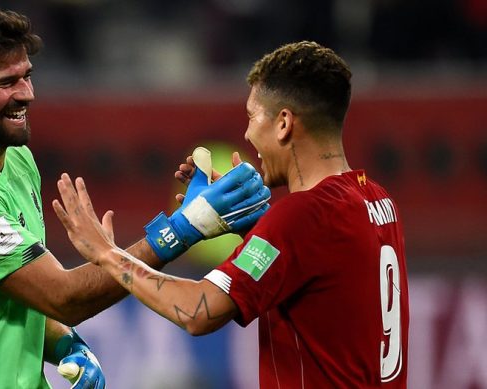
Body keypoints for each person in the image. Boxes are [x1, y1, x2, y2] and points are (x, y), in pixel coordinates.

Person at [0, 4, 271, 388]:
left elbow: (21, 292)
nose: (27, 94)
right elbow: (62, 296)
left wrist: (67, 346)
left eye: (27, 76)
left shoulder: (16, 158)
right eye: (7, 83)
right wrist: (183, 228)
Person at [53, 41, 409, 388]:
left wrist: (108, 255)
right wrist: (256, 225)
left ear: (284, 123)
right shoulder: (376, 199)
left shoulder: (302, 217)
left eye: (252, 116)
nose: (246, 132)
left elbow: (197, 311)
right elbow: (320, 280)